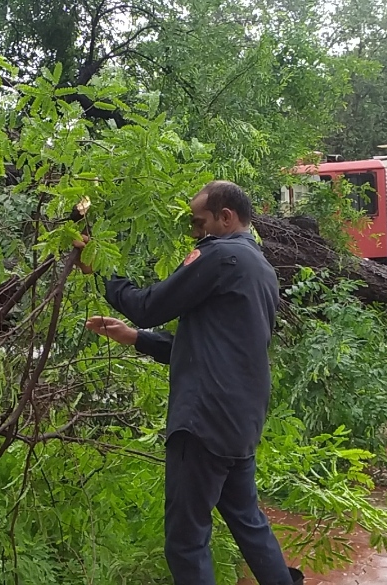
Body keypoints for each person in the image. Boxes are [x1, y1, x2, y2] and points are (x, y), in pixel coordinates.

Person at [78, 181, 304, 585]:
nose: (194, 233)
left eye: (199, 223)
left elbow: (147, 306)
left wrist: (102, 267)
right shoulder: (261, 270)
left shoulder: (220, 256)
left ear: (226, 217)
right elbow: (215, 348)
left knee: (186, 542)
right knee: (248, 522)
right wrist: (135, 338)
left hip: (203, 422)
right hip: (240, 422)